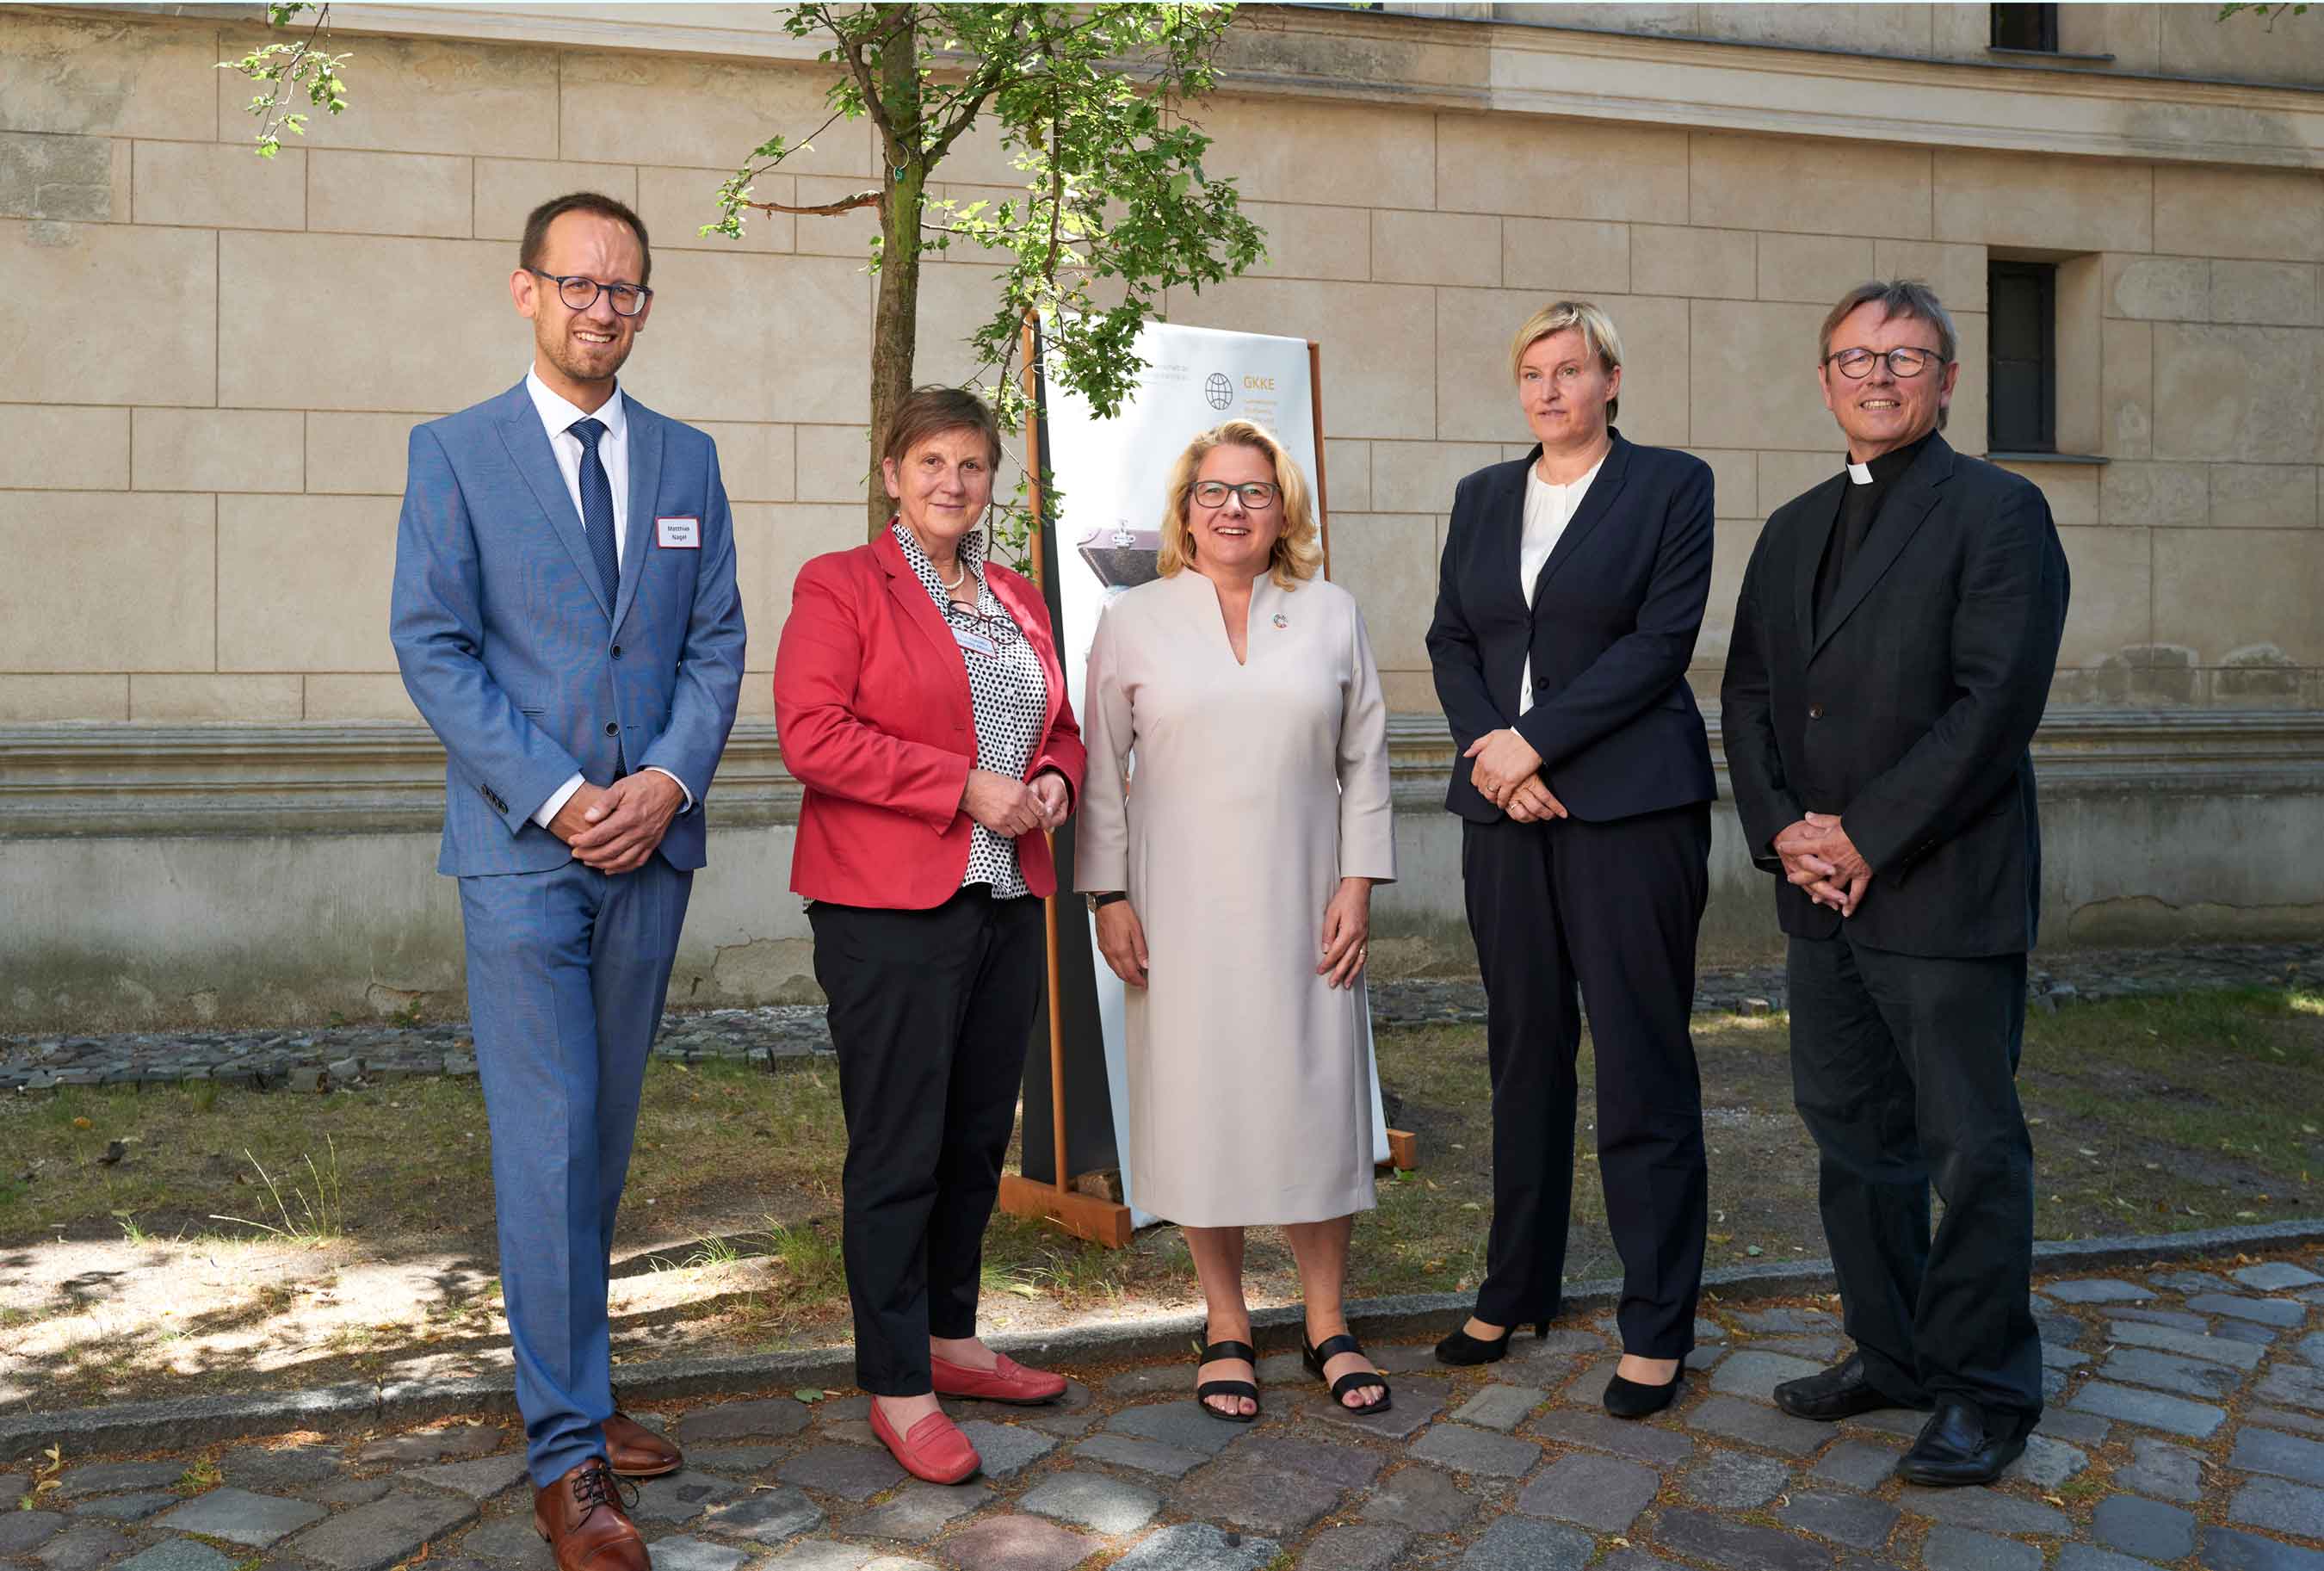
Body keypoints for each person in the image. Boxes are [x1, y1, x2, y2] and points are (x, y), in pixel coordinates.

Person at [391, 191, 745, 1571]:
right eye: (581, 283)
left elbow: (716, 645)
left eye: (628, 290)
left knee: (596, 1147)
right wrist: (560, 794)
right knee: (545, 1147)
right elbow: (434, 647)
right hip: (524, 855)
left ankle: (579, 1391)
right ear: (525, 291)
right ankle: (567, 1461)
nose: (606, 307)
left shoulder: (686, 460)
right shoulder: (457, 455)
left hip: (649, 852)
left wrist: (663, 784)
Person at [1721, 280, 2069, 1487]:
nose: (1877, 376)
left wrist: (1864, 835)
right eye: (1855, 358)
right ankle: (1893, 1349)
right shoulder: (1793, 525)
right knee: (1853, 1137)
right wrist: (1784, 836)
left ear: (1949, 379)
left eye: (1905, 357)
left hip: (1942, 889)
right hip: (1818, 896)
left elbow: (1993, 706)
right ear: (1824, 381)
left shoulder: (2001, 513)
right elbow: (1751, 697)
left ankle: (1985, 1386)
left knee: (1970, 1147)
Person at [772, 386, 1086, 1485]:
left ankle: (953, 1337)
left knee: (970, 1142)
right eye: (931, 462)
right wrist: (965, 788)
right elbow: (812, 735)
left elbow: (1063, 726)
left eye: (972, 464)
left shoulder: (1014, 596)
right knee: (899, 1148)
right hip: (886, 907)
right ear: (893, 473)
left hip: (1007, 898)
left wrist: (1049, 776)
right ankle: (898, 1383)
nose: (953, 482)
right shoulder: (843, 584)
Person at [1425, 300, 1715, 1420]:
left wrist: (1536, 742)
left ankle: (1657, 1323)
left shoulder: (1670, 486)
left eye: (1571, 370)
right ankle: (1515, 1287)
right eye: (1534, 373)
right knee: (1524, 1053)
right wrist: (1498, 762)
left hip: (1628, 812)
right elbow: (1453, 637)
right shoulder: (1484, 497)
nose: (1550, 389)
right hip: (1505, 814)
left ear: (1612, 380)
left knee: (1641, 1062)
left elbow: (1658, 645)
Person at [1076, 420, 1397, 1423]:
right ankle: (1223, 1321)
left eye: (1254, 492)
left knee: (1316, 1096)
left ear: (1282, 510)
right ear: (1183, 511)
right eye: (1213, 491)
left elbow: (1365, 764)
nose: (1232, 508)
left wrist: (1358, 883)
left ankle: (1326, 1319)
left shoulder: (1333, 613)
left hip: (1309, 901)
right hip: (1177, 909)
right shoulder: (1134, 620)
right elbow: (1101, 777)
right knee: (1199, 1100)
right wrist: (1109, 894)